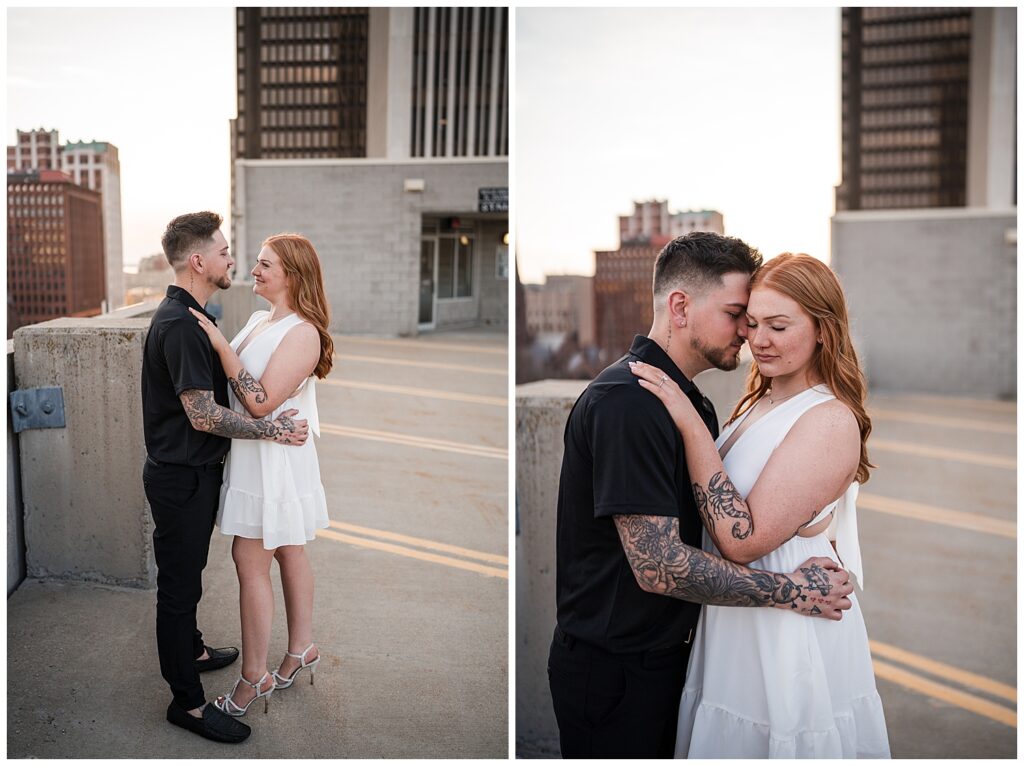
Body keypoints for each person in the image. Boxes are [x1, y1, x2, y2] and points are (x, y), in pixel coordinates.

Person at [548, 232, 855, 759]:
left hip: (688, 654)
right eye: (742, 315)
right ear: (681, 306)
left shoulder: (694, 405)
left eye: (768, 322)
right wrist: (792, 590)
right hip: (616, 670)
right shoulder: (631, 405)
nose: (750, 334)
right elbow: (659, 566)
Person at [630, 252, 890, 758]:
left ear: (823, 329)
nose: (759, 339)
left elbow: (741, 540)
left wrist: (687, 421)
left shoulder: (829, 420)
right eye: (750, 323)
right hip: (740, 619)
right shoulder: (760, 402)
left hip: (786, 632)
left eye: (778, 325)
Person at [143, 211, 309, 744]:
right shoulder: (182, 326)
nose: (233, 261)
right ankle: (188, 705)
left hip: (195, 472)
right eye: (224, 252)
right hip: (182, 476)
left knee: (190, 576)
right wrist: (271, 432)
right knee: (178, 589)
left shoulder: (194, 315)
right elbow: (203, 415)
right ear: (198, 261)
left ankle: (193, 649)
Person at [188, 233, 332, 717]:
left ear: (291, 274)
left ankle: (253, 680)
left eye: (265, 264)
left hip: (275, 459)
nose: (254, 269)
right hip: (257, 451)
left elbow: (259, 400)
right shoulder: (257, 319)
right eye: (255, 262)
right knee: (289, 547)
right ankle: (301, 649)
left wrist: (215, 340)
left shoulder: (304, 332)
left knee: (249, 559)